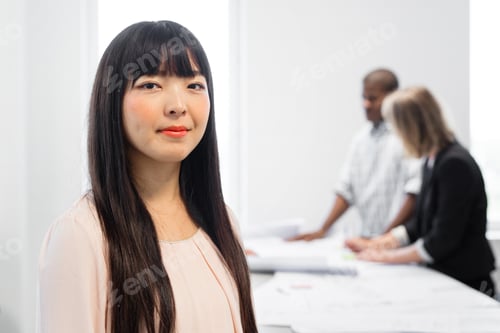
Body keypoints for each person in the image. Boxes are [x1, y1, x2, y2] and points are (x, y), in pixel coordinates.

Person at [37, 21, 257, 333]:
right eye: (151, 85)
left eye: (194, 85)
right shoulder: (80, 236)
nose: (178, 106)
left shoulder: (221, 220)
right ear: (112, 102)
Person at [351, 86, 496, 298]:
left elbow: (442, 239)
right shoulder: (432, 160)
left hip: (468, 283)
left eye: (397, 129)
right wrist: (381, 242)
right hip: (445, 278)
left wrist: (387, 256)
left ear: (412, 127)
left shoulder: (454, 163)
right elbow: (420, 223)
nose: (397, 137)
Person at [289, 69, 421, 241]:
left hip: (399, 243)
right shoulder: (361, 139)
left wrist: (386, 238)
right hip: (367, 241)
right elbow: (346, 190)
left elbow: (415, 192)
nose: (366, 104)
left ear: (393, 97)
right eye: (364, 98)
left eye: (372, 98)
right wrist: (323, 229)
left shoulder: (408, 137)